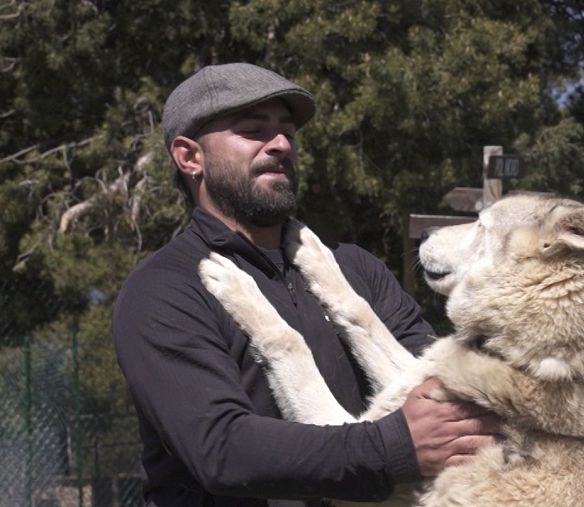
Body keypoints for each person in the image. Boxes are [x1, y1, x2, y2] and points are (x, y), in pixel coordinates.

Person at [113, 63, 500, 507]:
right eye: (254, 130)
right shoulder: (166, 289)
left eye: (287, 133)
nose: (280, 144)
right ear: (189, 157)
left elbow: (432, 377)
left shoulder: (355, 269)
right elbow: (221, 448)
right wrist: (393, 447)